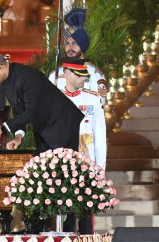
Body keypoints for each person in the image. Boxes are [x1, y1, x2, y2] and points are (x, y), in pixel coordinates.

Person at [0, 52, 84, 153]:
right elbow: (19, 110)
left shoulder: (27, 78)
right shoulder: (7, 78)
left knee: (61, 167)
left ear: (1, 67)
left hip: (61, 124)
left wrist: (2, 128)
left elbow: (31, 112)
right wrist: (18, 135)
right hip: (45, 126)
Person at [60, 58, 107, 234]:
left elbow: (100, 135)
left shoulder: (92, 99)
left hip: (87, 161)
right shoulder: (56, 97)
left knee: (86, 212)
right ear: (67, 74)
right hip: (63, 161)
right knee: (66, 214)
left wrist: (100, 167)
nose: (84, 79)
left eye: (85, 76)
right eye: (79, 75)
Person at [48, 8, 108, 104]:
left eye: (74, 43)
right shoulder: (54, 75)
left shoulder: (95, 74)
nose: (70, 47)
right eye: (67, 43)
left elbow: (100, 105)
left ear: (82, 45)